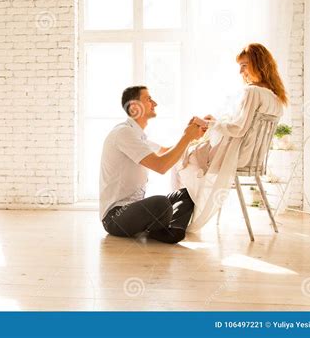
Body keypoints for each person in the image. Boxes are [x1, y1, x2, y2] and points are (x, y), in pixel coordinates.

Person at [173, 43, 288, 232]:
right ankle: (181, 212)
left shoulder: (252, 91)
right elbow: (246, 128)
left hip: (235, 155)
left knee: (181, 156)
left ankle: (177, 216)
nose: (240, 71)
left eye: (244, 65)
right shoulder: (276, 98)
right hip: (252, 157)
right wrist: (216, 122)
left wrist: (207, 123)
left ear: (259, 64)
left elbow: (239, 129)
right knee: (190, 156)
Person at [99, 86, 205, 244]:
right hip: (115, 217)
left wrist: (195, 135)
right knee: (160, 203)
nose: (155, 103)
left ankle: (173, 231)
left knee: (188, 193)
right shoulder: (123, 133)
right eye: (149, 99)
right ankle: (159, 229)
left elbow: (166, 152)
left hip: (134, 207)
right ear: (134, 107)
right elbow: (161, 166)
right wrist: (187, 137)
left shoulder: (138, 137)